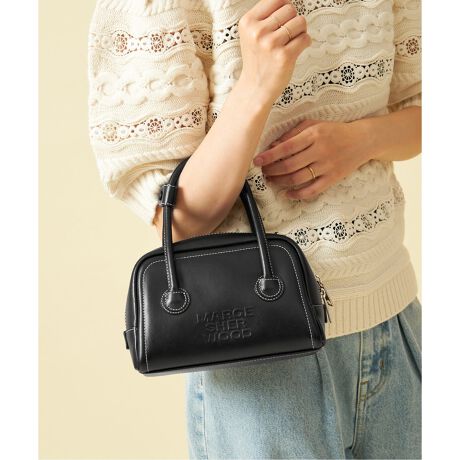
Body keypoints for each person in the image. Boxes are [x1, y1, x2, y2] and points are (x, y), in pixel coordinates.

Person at [87, 0, 422, 458]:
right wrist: (257, 83)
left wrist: (361, 140)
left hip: (393, 316)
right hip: (260, 358)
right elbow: (177, 220)